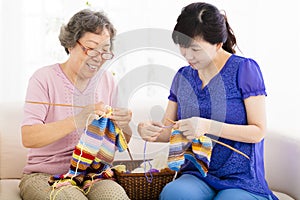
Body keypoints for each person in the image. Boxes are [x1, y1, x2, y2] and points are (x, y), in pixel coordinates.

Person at [138, 2, 278, 200]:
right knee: (174, 194)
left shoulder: (244, 70)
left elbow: (258, 132)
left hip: (241, 179)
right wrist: (148, 131)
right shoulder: (183, 76)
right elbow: (169, 130)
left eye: (195, 49)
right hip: (198, 173)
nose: (187, 55)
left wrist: (207, 126)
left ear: (218, 44)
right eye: (183, 47)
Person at [19, 9, 132, 200]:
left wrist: (124, 124)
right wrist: (78, 120)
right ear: (71, 44)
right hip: (44, 176)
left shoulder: (108, 81)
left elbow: (122, 141)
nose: (98, 57)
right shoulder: (43, 78)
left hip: (93, 175)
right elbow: (28, 137)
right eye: (91, 48)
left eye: (104, 50)